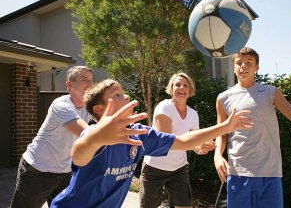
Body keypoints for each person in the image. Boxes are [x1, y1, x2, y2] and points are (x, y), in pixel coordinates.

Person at [50, 78, 253, 208]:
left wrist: (226, 126)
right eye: (117, 95)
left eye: (123, 92)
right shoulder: (93, 134)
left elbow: (182, 140)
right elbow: (78, 155)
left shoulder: (140, 135)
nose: (126, 96)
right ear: (100, 109)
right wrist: (95, 138)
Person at [213, 47, 291, 208]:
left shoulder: (270, 92)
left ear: (257, 67)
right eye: (239, 63)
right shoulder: (223, 98)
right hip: (238, 173)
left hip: (270, 173)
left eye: (249, 63)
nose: (243, 66)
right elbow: (221, 132)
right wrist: (217, 155)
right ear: (233, 67)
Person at [10, 65, 94, 208]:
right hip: (38, 170)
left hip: (66, 172)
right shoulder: (61, 105)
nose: (90, 84)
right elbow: (85, 133)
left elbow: (106, 120)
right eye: (84, 79)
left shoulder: (88, 107)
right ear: (69, 85)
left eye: (92, 80)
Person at [140, 72, 215, 208]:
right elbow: (167, 143)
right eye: (177, 85)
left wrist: (201, 148)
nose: (181, 88)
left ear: (190, 90)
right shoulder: (164, 107)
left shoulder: (193, 114)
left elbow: (194, 143)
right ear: (171, 89)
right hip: (154, 167)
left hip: (179, 169)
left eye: (185, 85)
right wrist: (195, 144)